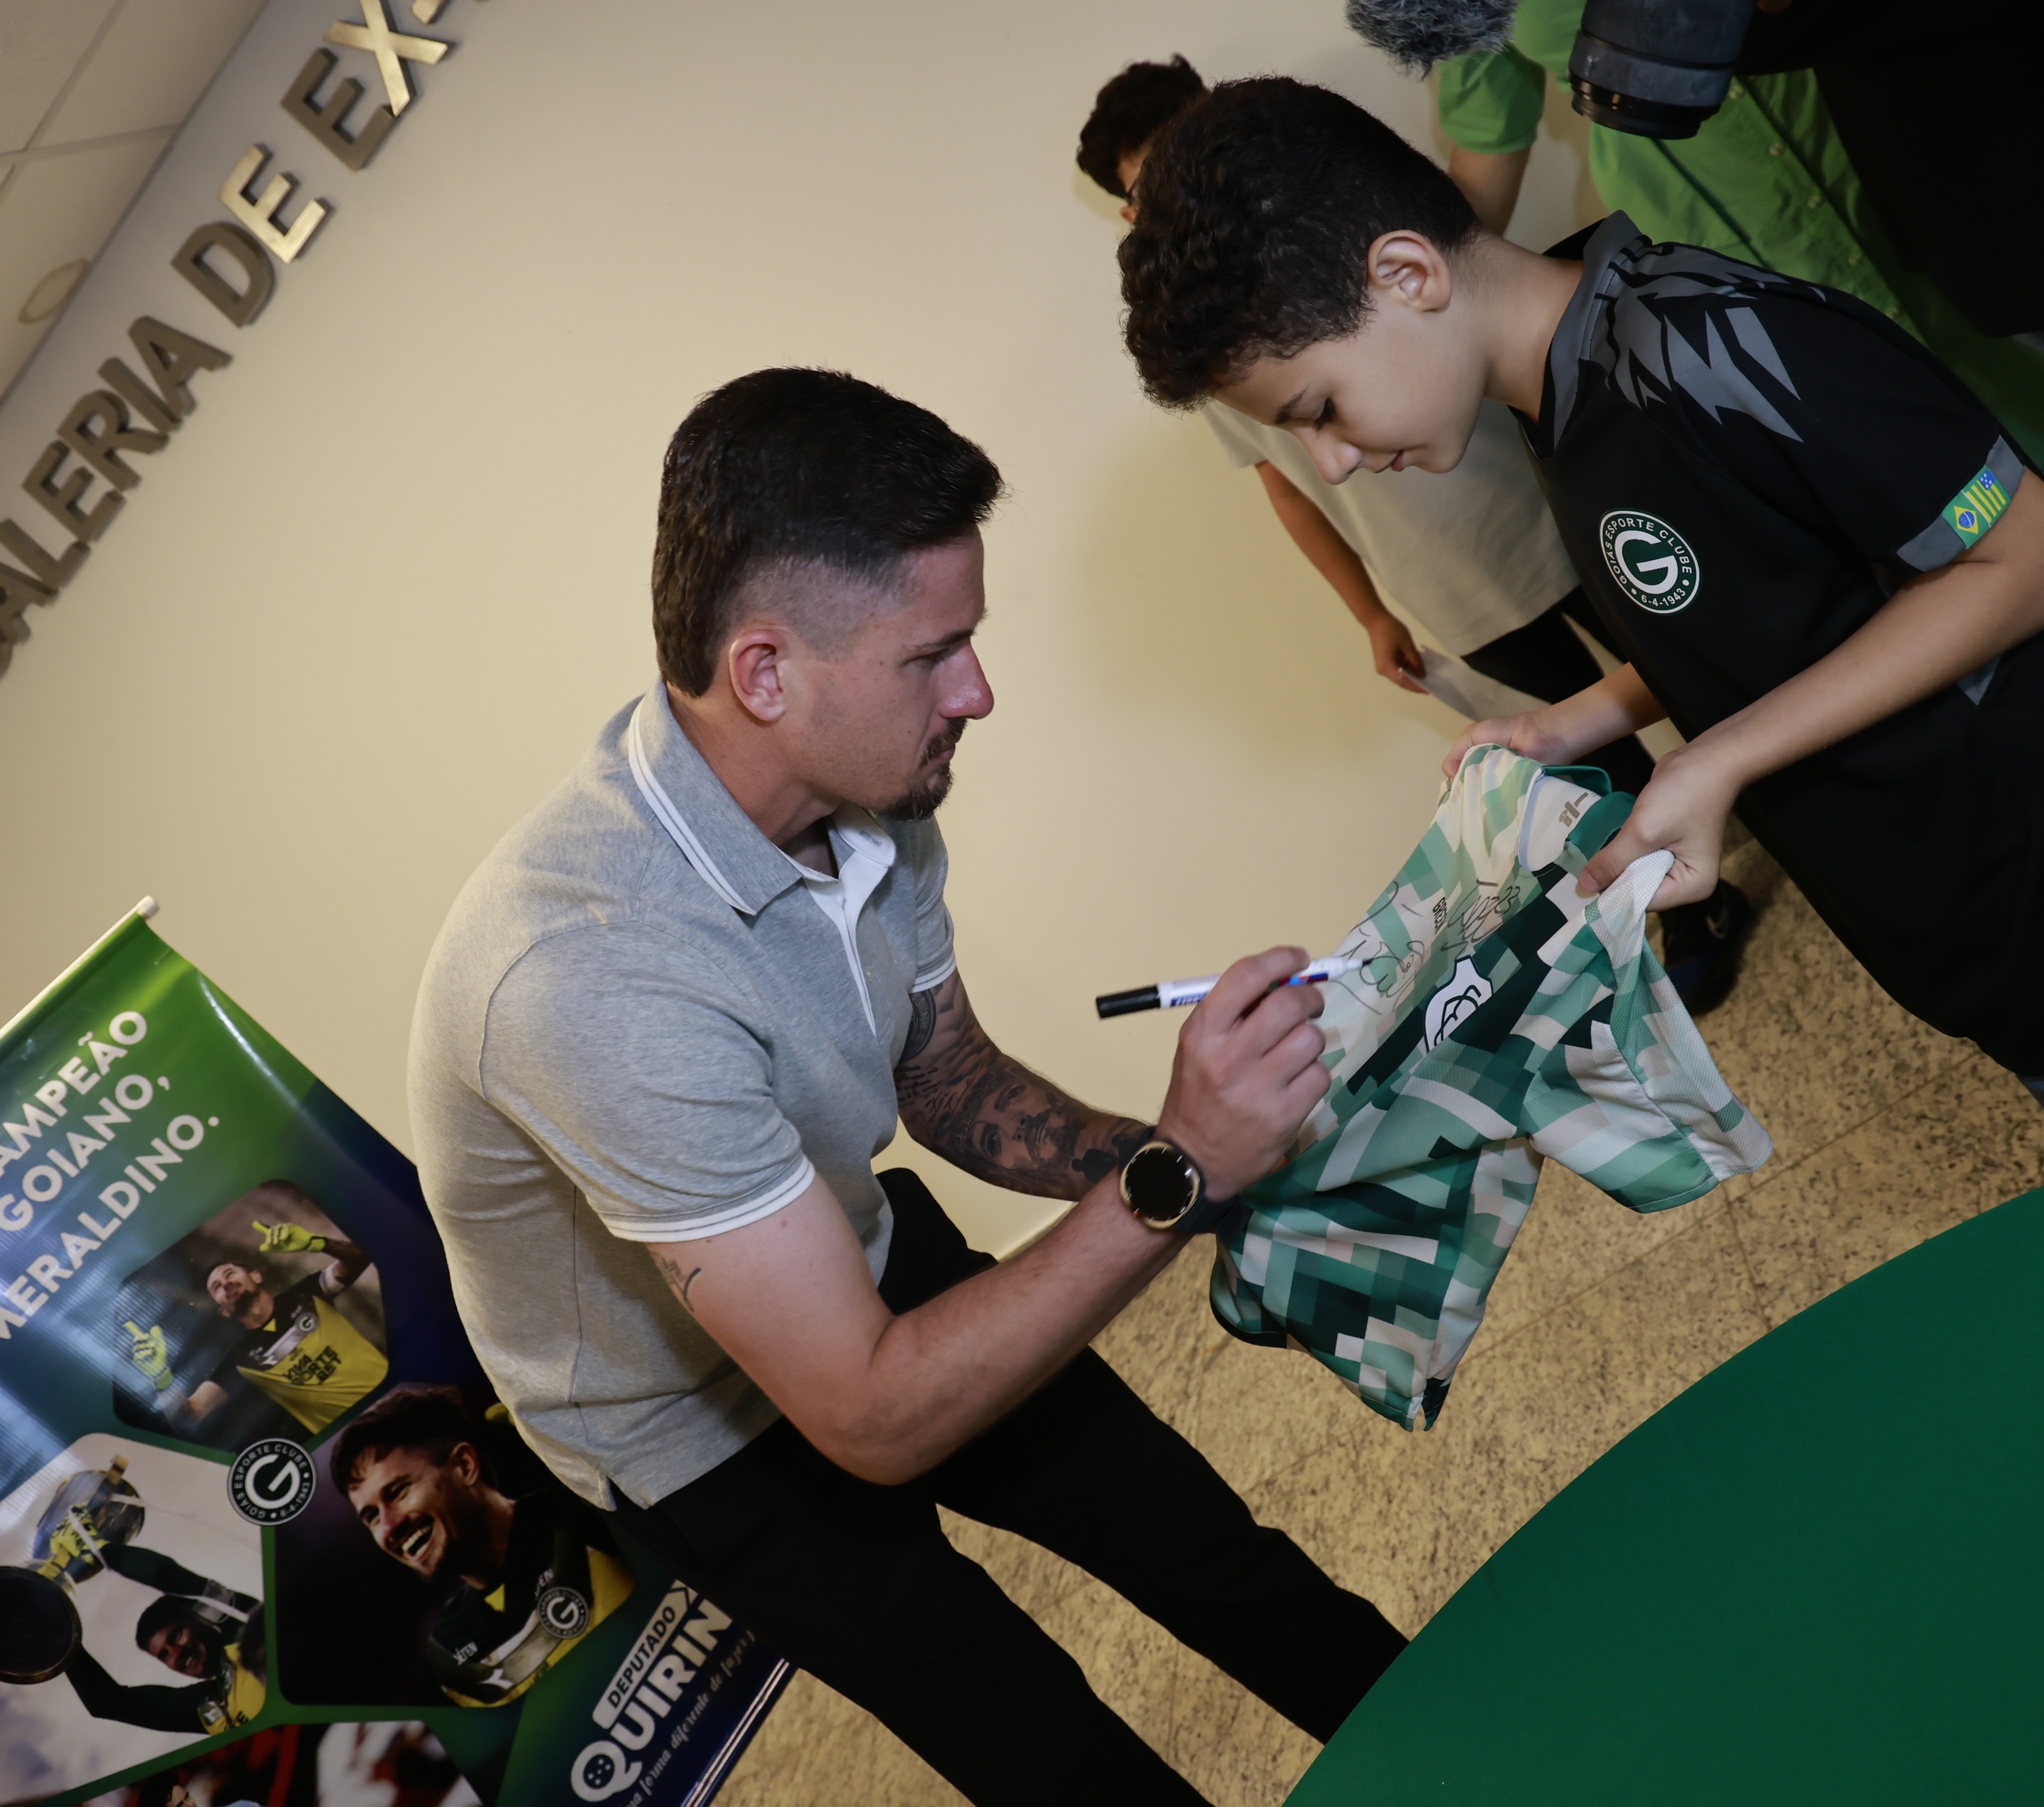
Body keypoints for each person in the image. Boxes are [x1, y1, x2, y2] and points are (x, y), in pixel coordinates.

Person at [409, 367, 1404, 1806]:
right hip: (693, 1426)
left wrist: (1228, 1167)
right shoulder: (583, 978)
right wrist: (1176, 1171)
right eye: (933, 654)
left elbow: (948, 1079)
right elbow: (871, 1418)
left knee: (1207, 1550)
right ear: (765, 672)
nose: (977, 692)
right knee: (1045, 1739)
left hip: (851, 1250)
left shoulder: (868, 799)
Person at [1116, 78, 2044, 1159]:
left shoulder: (1707, 348)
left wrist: (1716, 760)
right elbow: (1761, 601)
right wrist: (1571, 723)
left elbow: (2035, 556)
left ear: (1405, 274)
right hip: (1994, 938)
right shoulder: (1560, 399)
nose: (1329, 463)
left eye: (1318, 409)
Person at [1349, 0, 2044, 724]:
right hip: (1724, 217)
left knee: (2026, 397)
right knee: (1894, 472)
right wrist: (1376, 302)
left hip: (1866, 143)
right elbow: (1485, 154)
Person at [1078, 54, 1751, 1007]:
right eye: (1145, 193)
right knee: (1592, 751)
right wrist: (1369, 612)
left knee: (1699, 650)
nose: (1336, 456)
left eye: (1326, 408)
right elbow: (1289, 494)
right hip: (1453, 586)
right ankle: (1687, 900)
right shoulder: (1222, 368)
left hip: (1544, 515)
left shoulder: (1359, 243)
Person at [329, 1384, 634, 1708]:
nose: (389, 1527)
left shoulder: (586, 1512)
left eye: (398, 1492)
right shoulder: (448, 1656)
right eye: (372, 1517)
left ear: (465, 1465)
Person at [125, 1188, 387, 1436]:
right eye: (217, 1287)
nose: (226, 1284)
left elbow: (359, 1258)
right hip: (357, 1434)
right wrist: (161, 1379)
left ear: (256, 1276)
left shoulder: (309, 1292)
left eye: (229, 1274)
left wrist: (314, 1242)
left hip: (393, 1394)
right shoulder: (239, 1360)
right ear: (224, 1311)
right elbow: (190, 1414)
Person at [63, 1592, 266, 1737]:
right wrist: (61, 1636)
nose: (178, 1654)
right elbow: (108, 1703)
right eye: (165, 1655)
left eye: (176, 1636)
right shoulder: (206, 1703)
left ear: (200, 1619)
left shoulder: (258, 1640)